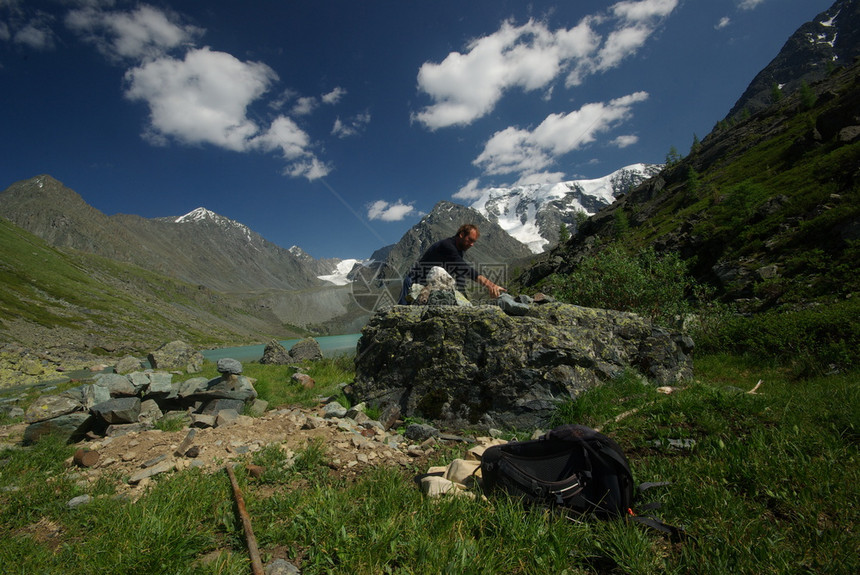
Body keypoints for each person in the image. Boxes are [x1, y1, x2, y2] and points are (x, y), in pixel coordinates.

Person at [398, 224, 506, 304]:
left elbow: (460, 274)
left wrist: (464, 300)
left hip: (428, 287)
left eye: (474, 242)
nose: (472, 244)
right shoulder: (447, 246)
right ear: (461, 234)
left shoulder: (458, 251)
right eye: (470, 240)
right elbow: (464, 268)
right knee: (403, 315)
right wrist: (490, 285)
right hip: (413, 283)